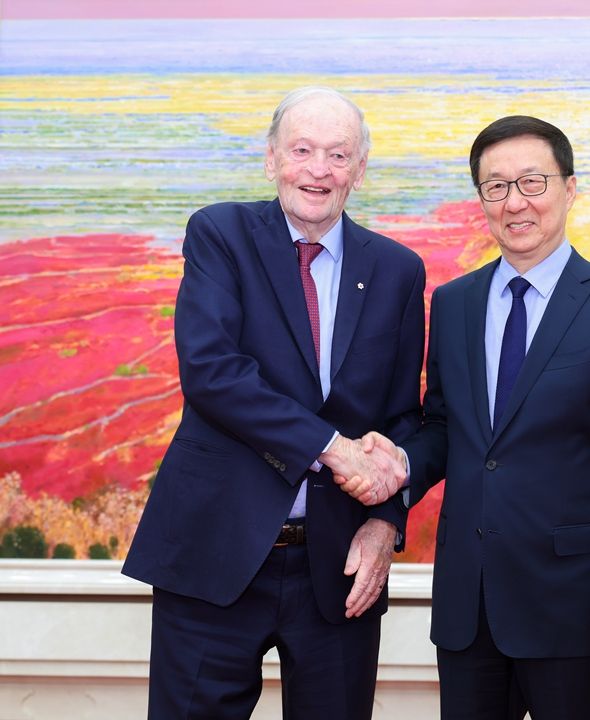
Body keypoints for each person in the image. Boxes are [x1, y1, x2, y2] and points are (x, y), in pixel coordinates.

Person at [340, 116, 590, 720]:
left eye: (533, 182)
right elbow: (445, 426)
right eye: (496, 186)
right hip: (470, 611)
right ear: (482, 200)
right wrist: (403, 462)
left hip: (574, 616)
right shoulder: (455, 302)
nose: (515, 202)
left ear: (570, 190)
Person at [122, 86, 425, 720]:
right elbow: (213, 374)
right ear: (271, 159)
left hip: (338, 568)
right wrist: (336, 450)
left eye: (339, 154)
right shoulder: (220, 233)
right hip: (214, 552)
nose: (319, 170)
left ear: (360, 169)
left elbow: (402, 421)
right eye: (303, 150)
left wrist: (384, 522)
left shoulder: (398, 270)